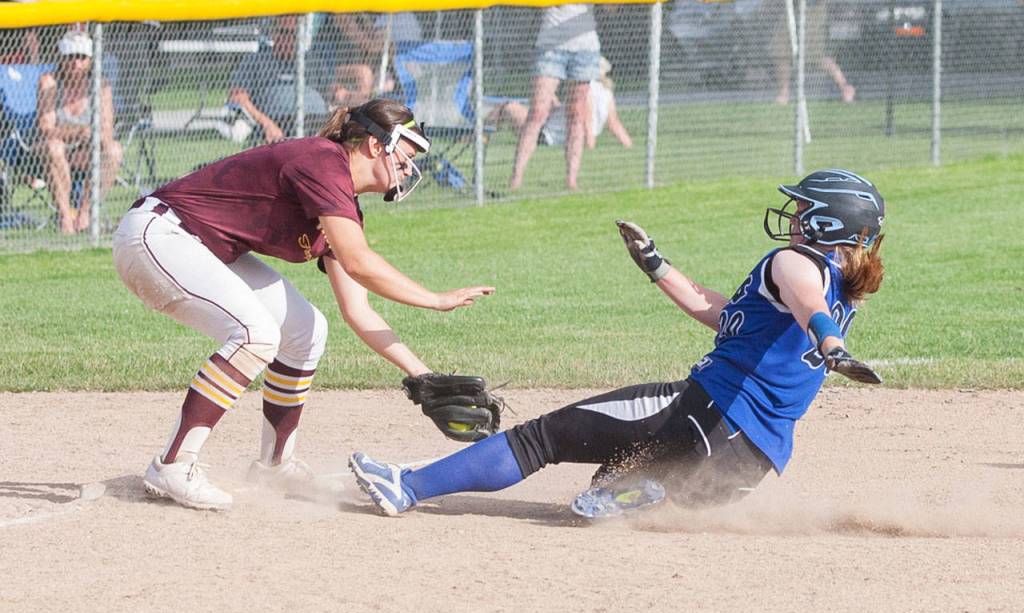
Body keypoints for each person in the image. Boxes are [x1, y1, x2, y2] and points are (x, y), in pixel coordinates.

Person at [349, 169, 886, 518]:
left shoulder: (793, 263)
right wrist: (657, 265)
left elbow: (809, 306)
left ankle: (408, 486)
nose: (791, 217)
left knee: (540, 440)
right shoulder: (850, 291)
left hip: (705, 415)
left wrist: (832, 346)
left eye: (801, 209)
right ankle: (642, 489)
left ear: (825, 222)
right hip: (746, 468)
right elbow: (726, 315)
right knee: (606, 481)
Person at [112, 98, 495, 511]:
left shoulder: (340, 204)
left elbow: (358, 311)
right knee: (255, 334)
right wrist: (436, 300)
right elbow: (359, 263)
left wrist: (423, 376)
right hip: (157, 235)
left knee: (307, 330)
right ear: (374, 145)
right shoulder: (322, 162)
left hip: (199, 247)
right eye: (406, 152)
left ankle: (275, 465)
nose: (410, 165)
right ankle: (173, 464)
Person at [37, 29, 122, 234]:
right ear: (61, 58)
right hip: (54, 151)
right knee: (54, 147)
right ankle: (65, 216)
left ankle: (85, 213)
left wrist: (92, 136)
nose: (76, 63)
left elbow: (106, 130)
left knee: (114, 150)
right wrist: (77, 132)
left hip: (86, 151)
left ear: (90, 60)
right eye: (71, 57)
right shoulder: (50, 82)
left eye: (82, 57)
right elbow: (46, 129)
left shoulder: (100, 85)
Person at [509, 4, 602, 191]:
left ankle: (571, 180)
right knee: (537, 112)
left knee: (577, 114)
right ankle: (516, 179)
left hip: (585, 49)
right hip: (551, 47)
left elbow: (611, 9)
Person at [487, 56, 632, 150]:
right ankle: (483, 133)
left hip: (546, 136)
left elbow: (584, 119)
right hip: (562, 132)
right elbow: (614, 124)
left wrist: (589, 145)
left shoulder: (584, 90)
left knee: (507, 107)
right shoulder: (606, 93)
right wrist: (628, 145)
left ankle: (482, 134)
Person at [228, 15, 331, 143]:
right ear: (273, 33)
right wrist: (267, 124)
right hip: (280, 121)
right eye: (283, 32)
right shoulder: (256, 60)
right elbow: (237, 97)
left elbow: (332, 93)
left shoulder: (312, 60)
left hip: (317, 120)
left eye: (293, 33)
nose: (287, 38)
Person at [771, 0, 855, 104]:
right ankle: (784, 93)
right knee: (781, 53)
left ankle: (845, 87)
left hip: (813, 9)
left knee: (817, 56)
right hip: (790, 10)